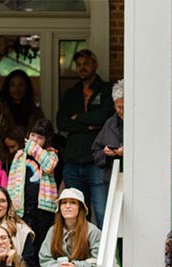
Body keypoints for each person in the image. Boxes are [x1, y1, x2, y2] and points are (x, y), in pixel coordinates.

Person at [56, 49, 114, 227]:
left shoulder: (106, 90)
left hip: (96, 162)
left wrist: (78, 118)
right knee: (76, 215)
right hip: (73, 163)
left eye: (86, 64)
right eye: (79, 65)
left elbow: (104, 117)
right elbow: (61, 122)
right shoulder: (71, 93)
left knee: (102, 213)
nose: (82, 68)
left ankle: (110, 255)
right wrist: (89, 125)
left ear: (95, 65)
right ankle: (81, 252)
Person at [7, 119, 59, 252]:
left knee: (42, 241)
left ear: (46, 140)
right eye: (32, 135)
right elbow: (12, 182)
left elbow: (48, 166)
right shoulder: (20, 155)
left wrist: (35, 149)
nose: (34, 140)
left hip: (43, 208)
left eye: (39, 137)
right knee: (26, 241)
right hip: (24, 207)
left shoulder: (51, 154)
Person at [0, 69, 45, 141]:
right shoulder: (0, 109)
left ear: (26, 87)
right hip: (4, 150)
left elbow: (42, 133)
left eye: (21, 85)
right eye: (12, 85)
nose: (16, 89)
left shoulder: (35, 111)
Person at [92, 79, 124, 186]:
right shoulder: (110, 124)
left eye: (124, 107)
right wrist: (105, 153)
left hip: (136, 178)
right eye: (118, 107)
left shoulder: (140, 123)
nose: (121, 111)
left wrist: (127, 153)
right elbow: (95, 152)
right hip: (112, 179)